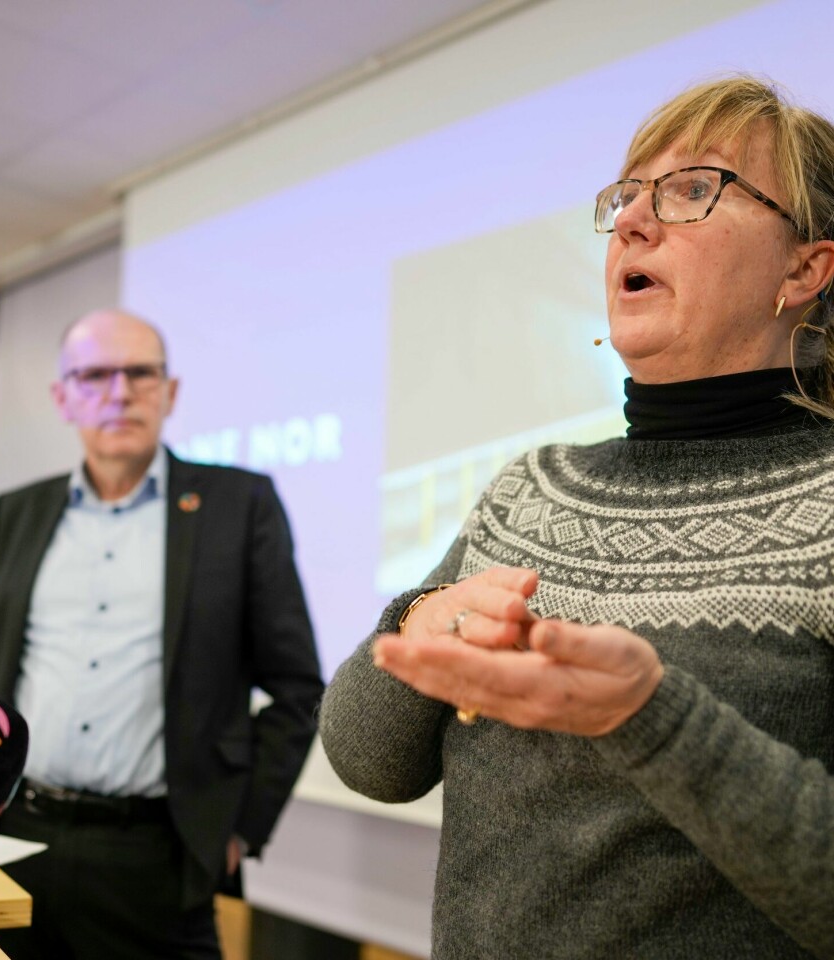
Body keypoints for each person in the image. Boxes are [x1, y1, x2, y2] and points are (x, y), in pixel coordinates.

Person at [319, 75, 834, 959]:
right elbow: (369, 762)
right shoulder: (533, 488)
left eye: (692, 190)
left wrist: (650, 715)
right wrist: (414, 621)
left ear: (806, 267)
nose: (634, 221)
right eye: (627, 196)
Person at [0, 308, 323, 960]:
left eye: (140, 374)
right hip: (15, 835)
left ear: (170, 391)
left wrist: (238, 827)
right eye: (95, 375)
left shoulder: (240, 506)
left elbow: (297, 689)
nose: (119, 393)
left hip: (154, 856)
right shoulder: (18, 512)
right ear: (63, 397)